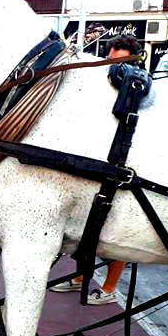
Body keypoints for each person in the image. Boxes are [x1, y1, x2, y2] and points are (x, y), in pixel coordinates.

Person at [49, 35, 142, 305]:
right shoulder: (99, 82)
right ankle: (80, 278)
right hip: (93, 165)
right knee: (83, 230)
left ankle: (110, 288)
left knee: (114, 233)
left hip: (121, 168)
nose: (116, 67)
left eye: (122, 61)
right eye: (112, 60)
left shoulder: (136, 89)